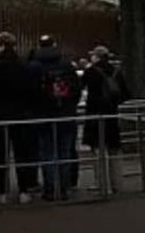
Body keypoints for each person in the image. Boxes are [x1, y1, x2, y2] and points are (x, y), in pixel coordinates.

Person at [0, 31, 38, 204]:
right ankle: (23, 190)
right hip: (20, 114)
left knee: (1, 154)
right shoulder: (23, 65)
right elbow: (31, 89)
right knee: (22, 153)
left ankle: (1, 191)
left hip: (1, 114)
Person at [30, 35, 82, 201]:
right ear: (54, 44)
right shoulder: (66, 65)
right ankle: (64, 188)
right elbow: (76, 89)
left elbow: (30, 91)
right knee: (64, 151)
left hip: (43, 115)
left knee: (47, 152)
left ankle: (50, 189)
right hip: (65, 114)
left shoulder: (34, 67)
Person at [81, 45, 129, 195]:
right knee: (114, 149)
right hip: (112, 114)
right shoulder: (116, 71)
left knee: (98, 150)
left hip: (95, 113)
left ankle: (102, 184)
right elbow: (126, 93)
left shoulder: (91, 71)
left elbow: (80, 87)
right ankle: (117, 184)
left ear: (97, 56)